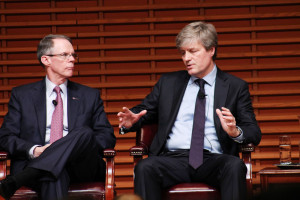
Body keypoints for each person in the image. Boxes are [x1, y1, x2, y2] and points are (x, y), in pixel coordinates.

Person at [117, 21, 261, 200]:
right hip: (173, 159)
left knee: (234, 166)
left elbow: (253, 132)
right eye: (183, 53)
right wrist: (131, 121)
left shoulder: (235, 87)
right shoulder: (168, 83)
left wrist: (235, 131)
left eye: (193, 51)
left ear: (211, 50)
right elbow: (142, 111)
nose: (186, 58)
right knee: (145, 167)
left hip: (214, 159)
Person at [0, 34, 116, 200]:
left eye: (73, 55)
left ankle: (19, 179)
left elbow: (106, 137)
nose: (72, 60)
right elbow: (5, 137)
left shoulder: (89, 95)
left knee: (84, 133)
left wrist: (73, 148)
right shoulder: (22, 95)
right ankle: (44, 165)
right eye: (64, 55)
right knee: (54, 173)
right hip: (35, 162)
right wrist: (35, 150)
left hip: (80, 166)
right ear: (46, 60)